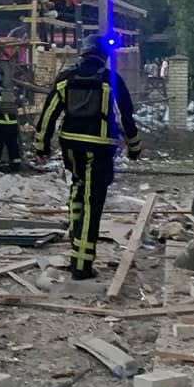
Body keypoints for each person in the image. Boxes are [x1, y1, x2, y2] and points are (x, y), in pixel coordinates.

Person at [34, 35, 142, 280]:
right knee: (93, 202)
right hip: (100, 147)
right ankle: (82, 265)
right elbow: (127, 117)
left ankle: (76, 237)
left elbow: (48, 115)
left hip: (71, 145)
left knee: (78, 187)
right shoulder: (111, 79)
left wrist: (42, 147)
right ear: (104, 55)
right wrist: (135, 147)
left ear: (82, 53)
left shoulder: (65, 79)